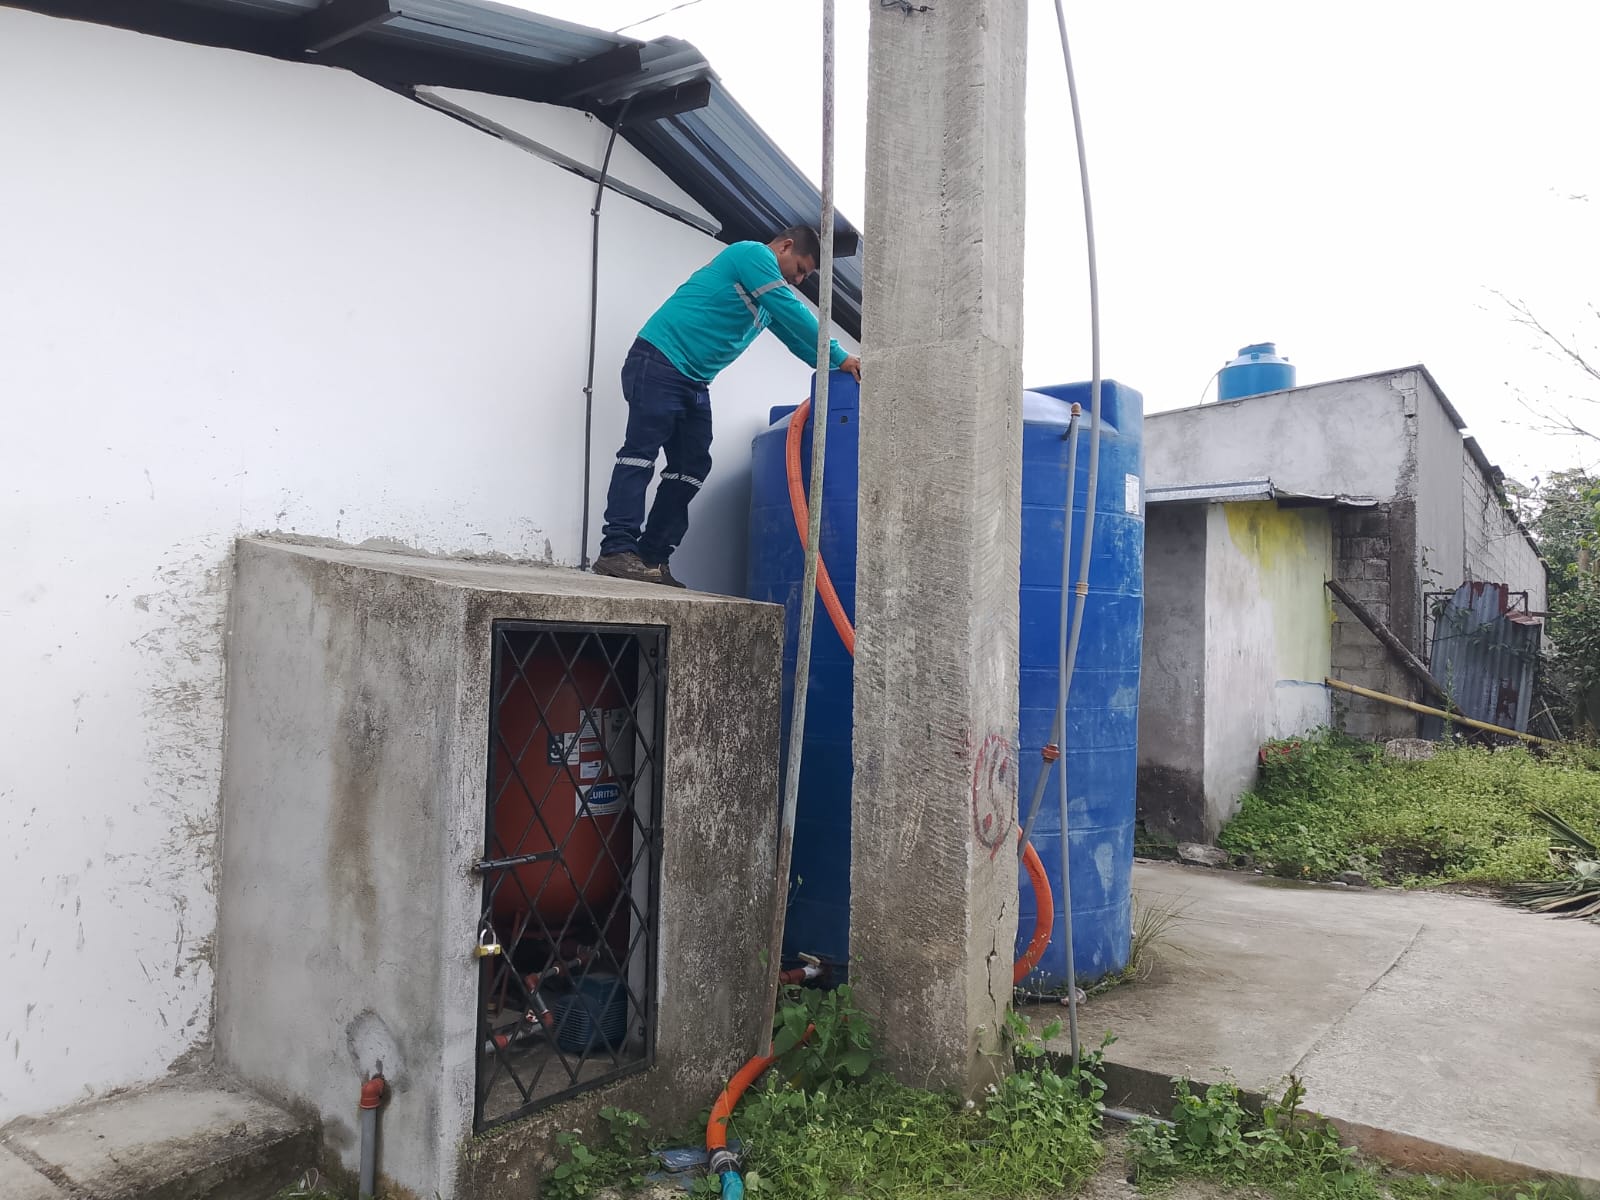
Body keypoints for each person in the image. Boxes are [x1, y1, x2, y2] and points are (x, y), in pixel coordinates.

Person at [593, 226, 862, 587]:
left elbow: (797, 339)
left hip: (693, 380)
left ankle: (651, 558)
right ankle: (616, 550)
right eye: (800, 269)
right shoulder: (752, 254)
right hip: (658, 360)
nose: (798, 280)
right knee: (640, 453)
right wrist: (841, 354)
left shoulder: (765, 299)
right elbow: (792, 309)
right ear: (785, 246)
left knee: (691, 466)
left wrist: (838, 365)